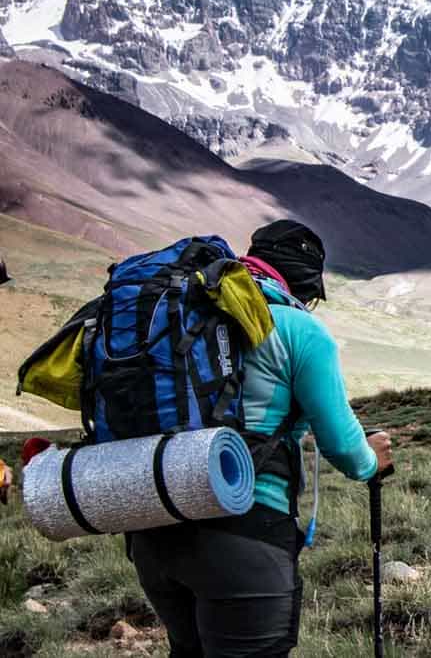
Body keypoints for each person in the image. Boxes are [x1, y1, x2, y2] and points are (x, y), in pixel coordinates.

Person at [129, 220, 391, 658]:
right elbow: (344, 447)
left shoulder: (184, 313)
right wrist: (372, 463)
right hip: (245, 529)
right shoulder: (295, 328)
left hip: (154, 526)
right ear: (305, 283)